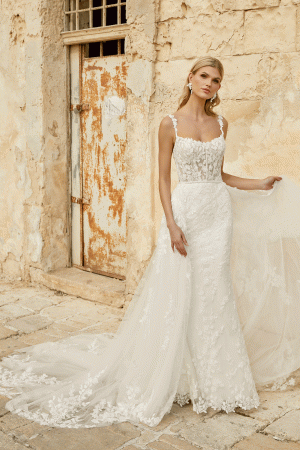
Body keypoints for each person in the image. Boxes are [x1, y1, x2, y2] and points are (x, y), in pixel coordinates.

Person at [0, 56, 300, 429]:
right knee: (180, 291)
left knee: (215, 292)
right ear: (190, 78)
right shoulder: (169, 123)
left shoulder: (221, 123)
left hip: (217, 215)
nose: (210, 83)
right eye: (204, 76)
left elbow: (220, 174)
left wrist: (259, 183)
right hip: (186, 212)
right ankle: (174, 374)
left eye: (217, 80)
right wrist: (171, 224)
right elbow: (162, 180)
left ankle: (222, 384)